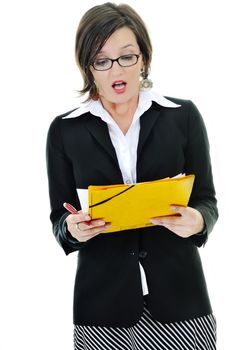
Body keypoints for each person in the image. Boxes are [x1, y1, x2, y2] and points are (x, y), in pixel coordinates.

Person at [46, 3, 218, 349]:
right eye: (101, 60)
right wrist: (72, 228)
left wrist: (197, 221)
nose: (116, 70)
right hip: (102, 311)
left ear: (143, 58)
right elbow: (59, 220)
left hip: (182, 304)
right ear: (88, 67)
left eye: (126, 56)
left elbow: (207, 201)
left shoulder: (182, 117)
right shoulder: (66, 131)